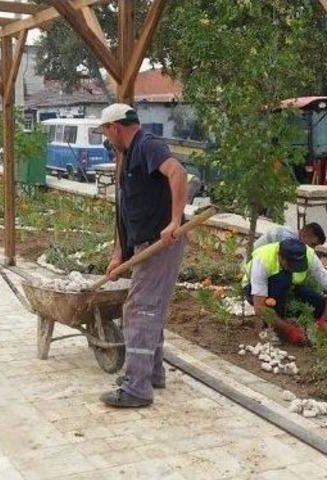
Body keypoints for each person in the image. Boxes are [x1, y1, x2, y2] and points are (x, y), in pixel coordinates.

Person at [98, 103, 189, 408]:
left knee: (138, 309)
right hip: (142, 243)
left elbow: (177, 172)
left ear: (115, 128)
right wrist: (117, 253)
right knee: (152, 306)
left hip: (161, 243)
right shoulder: (126, 157)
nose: (108, 140)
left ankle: (137, 387)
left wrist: (175, 221)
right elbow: (125, 212)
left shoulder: (148, 145)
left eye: (107, 133)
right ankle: (153, 373)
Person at [242, 238, 327, 345]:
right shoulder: (263, 260)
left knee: (321, 305)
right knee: (282, 279)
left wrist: (324, 320)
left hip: (289, 287)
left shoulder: (308, 255)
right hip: (253, 290)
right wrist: (289, 330)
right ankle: (271, 328)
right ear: (281, 257)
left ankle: (290, 319)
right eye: (292, 265)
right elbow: (260, 308)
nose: (295, 269)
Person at [252, 223, 326, 251]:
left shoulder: (293, 235)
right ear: (305, 235)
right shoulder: (287, 239)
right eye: (313, 245)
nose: (313, 249)